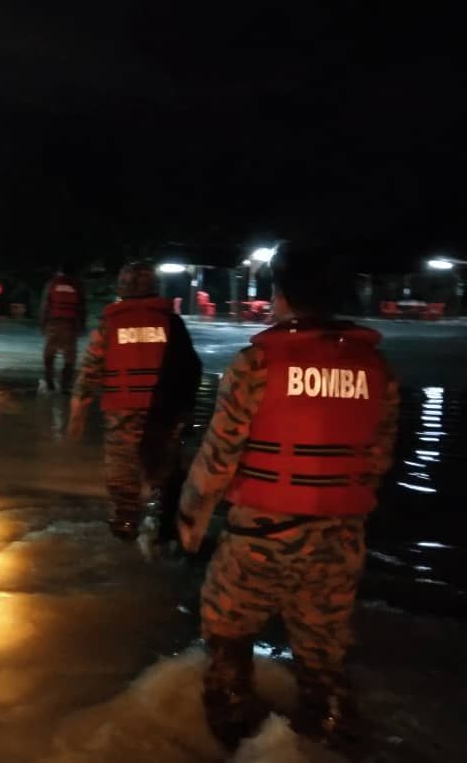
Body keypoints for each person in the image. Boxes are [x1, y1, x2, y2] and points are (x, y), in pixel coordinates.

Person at [176, 243, 399, 754]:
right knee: (323, 650)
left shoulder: (259, 363)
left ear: (281, 293)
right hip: (340, 540)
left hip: (261, 536)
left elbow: (218, 456)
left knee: (226, 627)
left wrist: (191, 516)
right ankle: (329, 724)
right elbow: (378, 460)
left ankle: (236, 726)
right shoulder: (378, 368)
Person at [67, 260, 201, 541]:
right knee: (164, 466)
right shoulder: (172, 322)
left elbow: (89, 371)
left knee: (122, 467)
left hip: (122, 409)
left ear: (122, 287)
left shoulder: (110, 324)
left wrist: (76, 416)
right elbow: (191, 369)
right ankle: (164, 527)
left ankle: (126, 521)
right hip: (165, 409)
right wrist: (185, 413)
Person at [41, 263, 87, 392]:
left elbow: (45, 306)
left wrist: (43, 324)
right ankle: (65, 386)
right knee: (70, 357)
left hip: (53, 324)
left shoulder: (52, 284)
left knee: (49, 355)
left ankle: (49, 382)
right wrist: (82, 326)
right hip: (70, 325)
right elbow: (82, 308)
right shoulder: (77, 285)